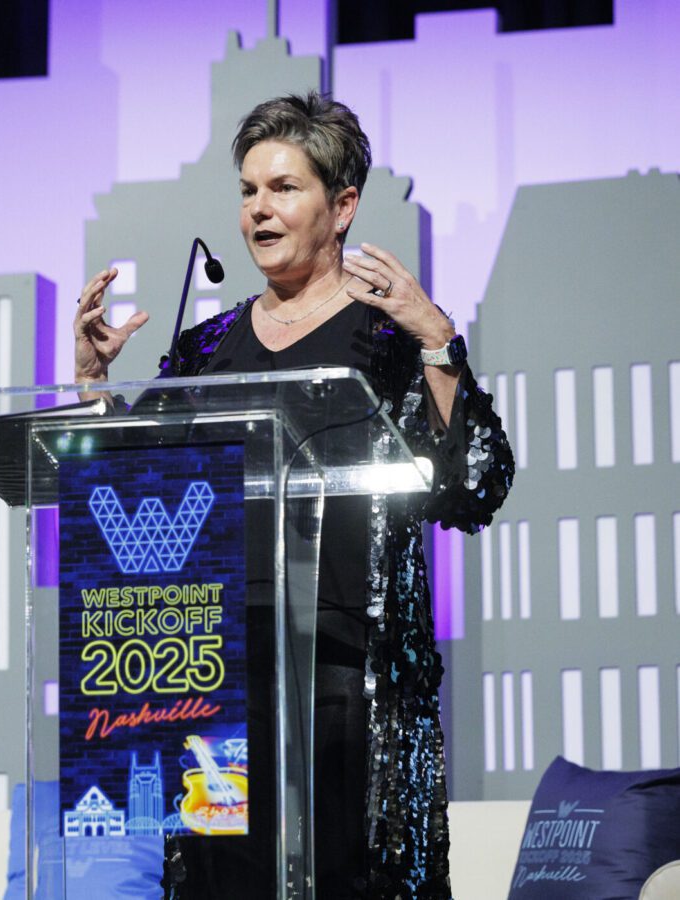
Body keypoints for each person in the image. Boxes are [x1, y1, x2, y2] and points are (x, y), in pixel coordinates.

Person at [73, 92, 513, 899]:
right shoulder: (204, 349)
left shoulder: (389, 340)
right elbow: (132, 499)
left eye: (283, 188)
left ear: (342, 205)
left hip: (352, 679)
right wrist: (97, 387)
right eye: (247, 191)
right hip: (217, 682)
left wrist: (437, 341)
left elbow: (474, 485)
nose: (258, 210)